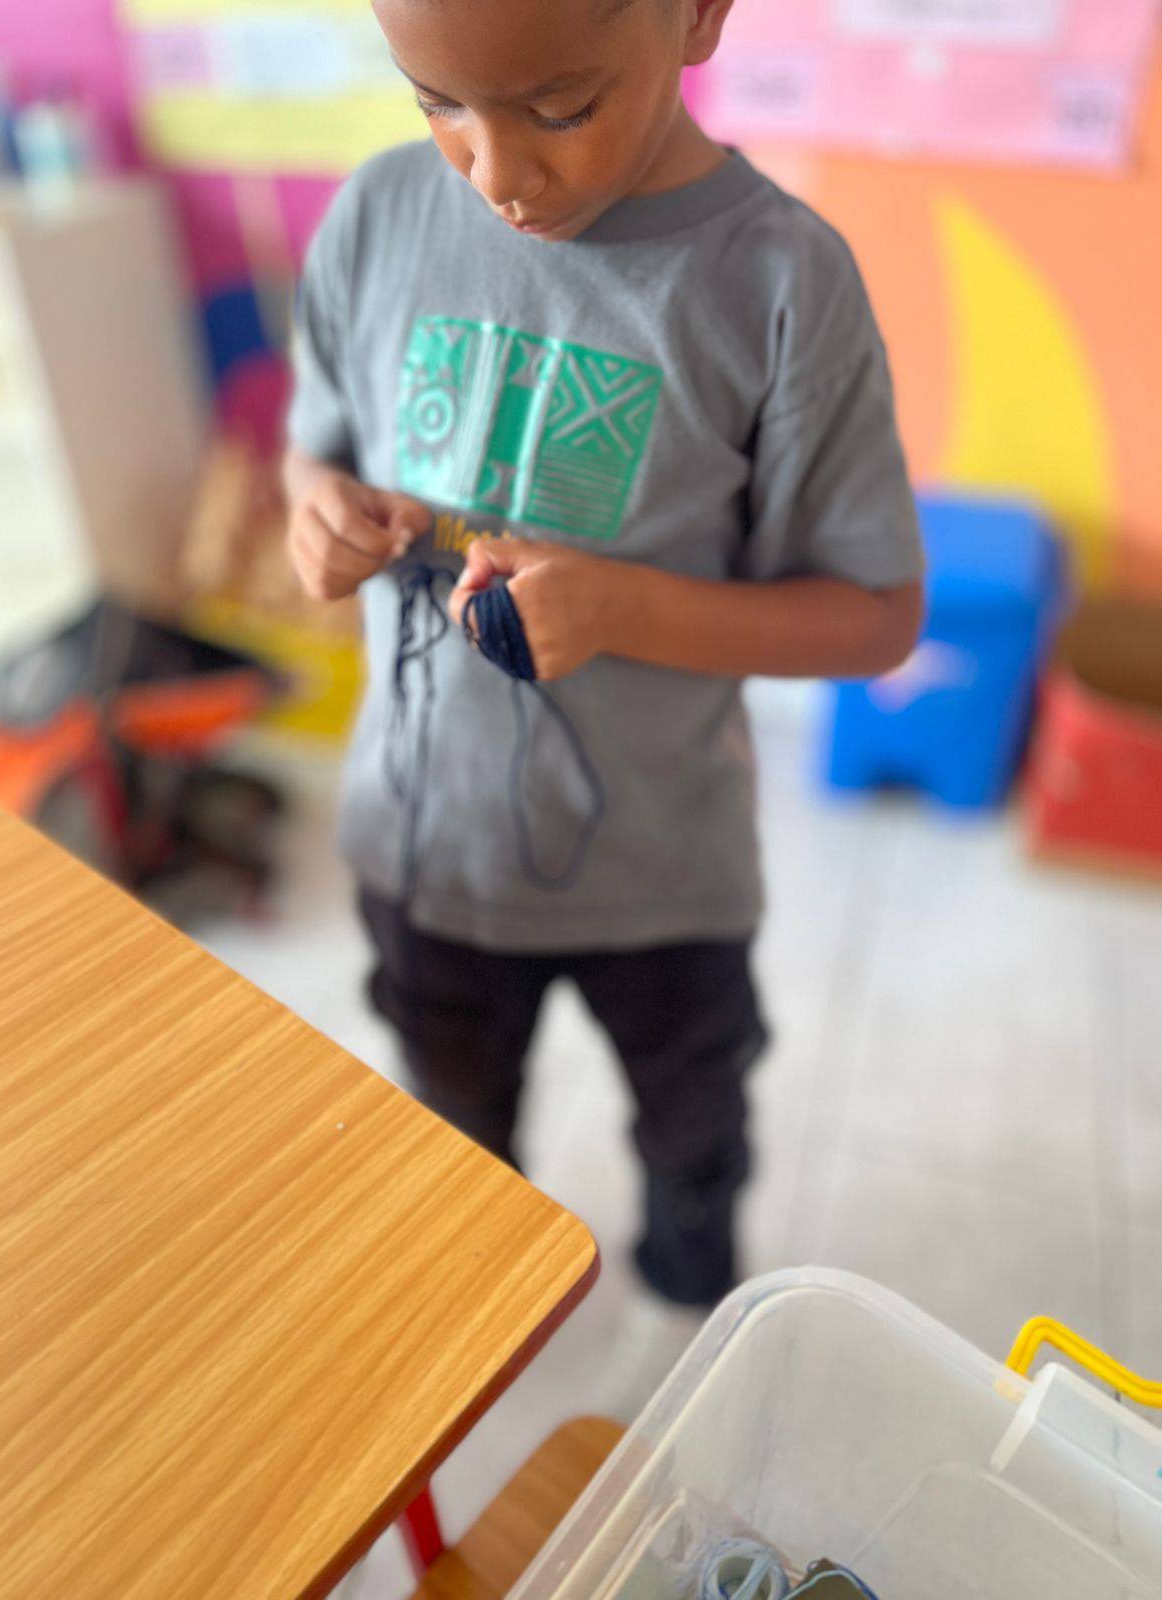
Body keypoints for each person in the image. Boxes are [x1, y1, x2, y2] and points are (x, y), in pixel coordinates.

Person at [284, 0, 924, 1411]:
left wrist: (624, 607)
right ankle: (477, 1319)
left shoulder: (779, 280)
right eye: (435, 103)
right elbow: (313, 447)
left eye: (560, 110)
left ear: (697, 15)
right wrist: (317, 509)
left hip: (662, 876)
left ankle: (689, 1308)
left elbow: (876, 613)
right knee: (454, 1137)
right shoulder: (379, 216)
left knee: (694, 1130)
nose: (495, 173)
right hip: (427, 853)